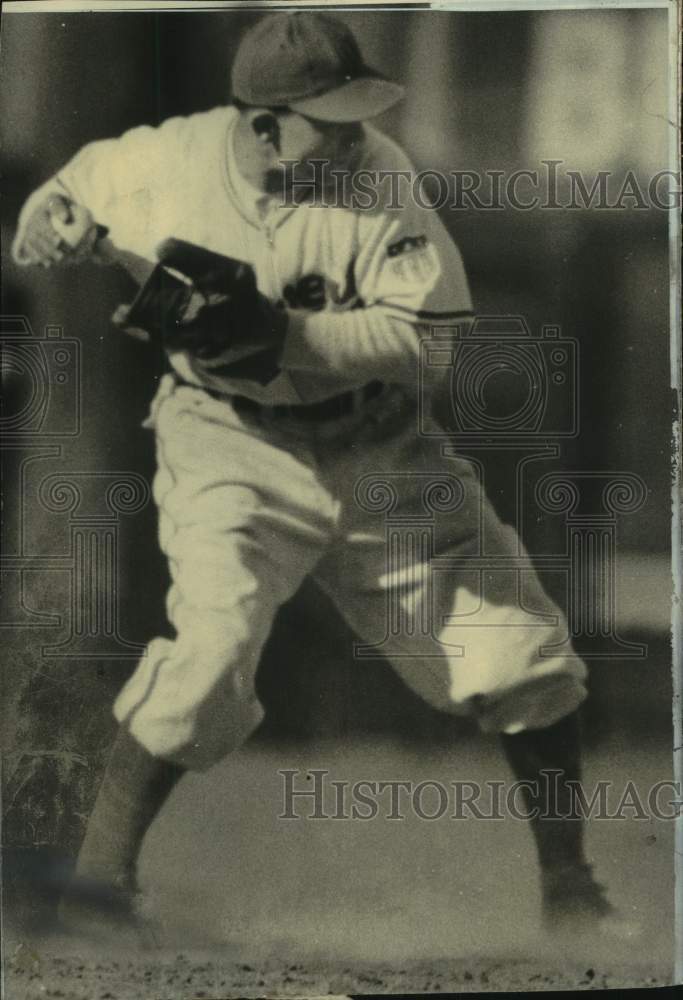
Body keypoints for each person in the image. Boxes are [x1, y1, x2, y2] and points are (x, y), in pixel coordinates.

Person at [13, 10, 629, 946]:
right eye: (327, 118)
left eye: (356, 110)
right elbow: (58, 203)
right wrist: (49, 225)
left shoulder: (380, 176)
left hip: (378, 446)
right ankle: (97, 887)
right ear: (262, 126)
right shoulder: (165, 164)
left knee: (522, 658)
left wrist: (282, 334)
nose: (352, 132)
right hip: (227, 441)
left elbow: (428, 346)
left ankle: (573, 894)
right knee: (210, 657)